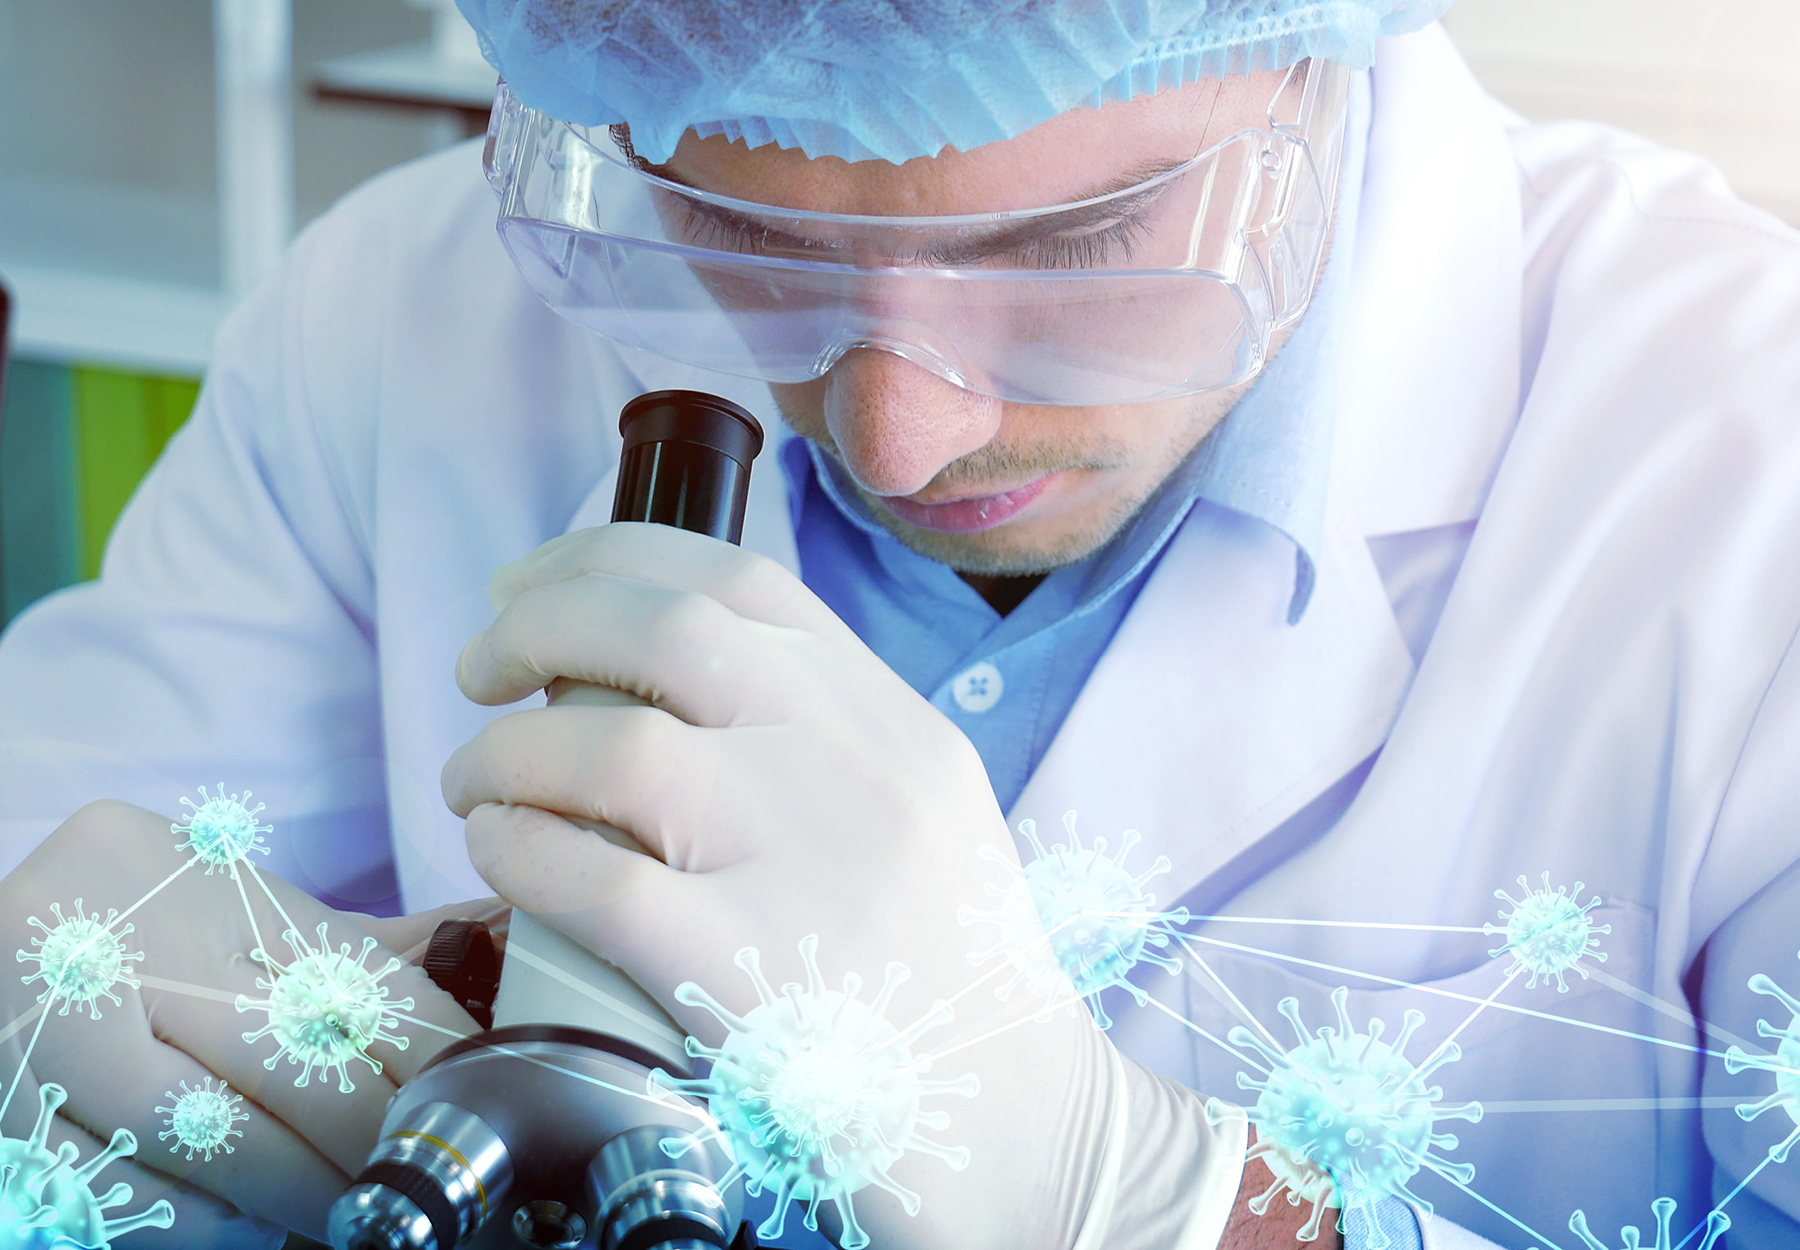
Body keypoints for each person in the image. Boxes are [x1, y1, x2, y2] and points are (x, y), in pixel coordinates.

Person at [1, 0, 1798, 1246]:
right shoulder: (389, 324)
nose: (894, 432)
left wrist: (1148, 1204)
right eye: (745, 232)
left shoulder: (1740, 476)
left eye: (1081, 242)